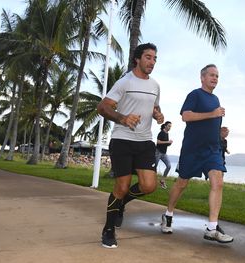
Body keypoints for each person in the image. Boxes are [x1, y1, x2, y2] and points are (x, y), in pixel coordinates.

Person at [97, 43, 164, 249]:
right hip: (123, 140)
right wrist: (122, 118)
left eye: (154, 58)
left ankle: (121, 204)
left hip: (144, 141)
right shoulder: (124, 82)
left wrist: (158, 114)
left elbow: (155, 106)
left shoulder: (155, 85)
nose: (152, 62)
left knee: (149, 186)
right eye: (148, 57)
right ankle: (108, 230)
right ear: (137, 59)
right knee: (122, 186)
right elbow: (103, 107)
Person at [160, 64, 234, 243]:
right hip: (192, 150)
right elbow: (186, 116)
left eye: (217, 76)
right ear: (202, 77)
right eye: (211, 75)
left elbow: (209, 123)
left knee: (218, 182)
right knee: (181, 183)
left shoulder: (215, 99)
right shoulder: (195, 95)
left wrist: (219, 132)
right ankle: (168, 214)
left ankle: (212, 228)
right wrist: (212, 114)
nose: (215, 78)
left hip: (212, 150)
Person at [155, 121, 173, 189]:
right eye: (169, 126)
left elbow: (164, 143)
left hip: (164, 153)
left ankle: (162, 180)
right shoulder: (161, 133)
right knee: (154, 167)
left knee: (169, 166)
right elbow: (158, 142)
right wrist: (167, 142)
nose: (170, 127)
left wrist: (169, 143)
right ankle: (152, 182)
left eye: (170, 126)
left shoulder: (167, 133)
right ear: (165, 126)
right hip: (158, 152)